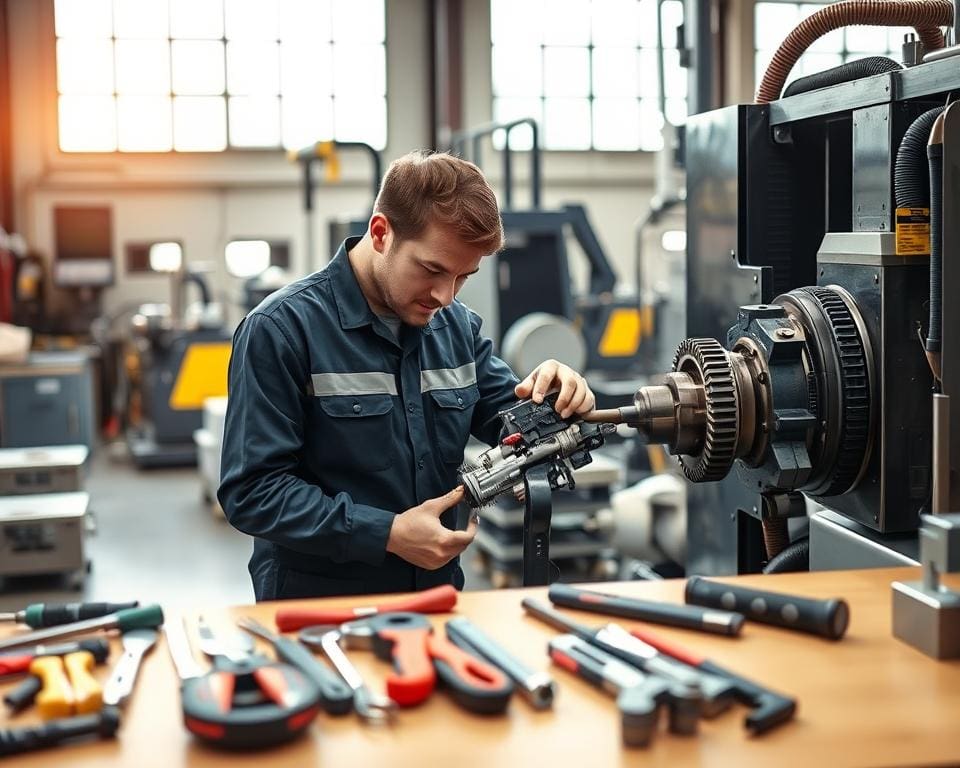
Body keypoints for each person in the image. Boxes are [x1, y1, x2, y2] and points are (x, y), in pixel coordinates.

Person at [218, 150, 596, 600]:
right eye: (433, 269)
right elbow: (253, 492)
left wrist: (557, 396)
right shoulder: (281, 331)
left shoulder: (456, 328)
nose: (444, 294)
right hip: (319, 609)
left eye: (463, 276)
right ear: (381, 233)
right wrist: (387, 533)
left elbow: (510, 420)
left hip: (435, 597)